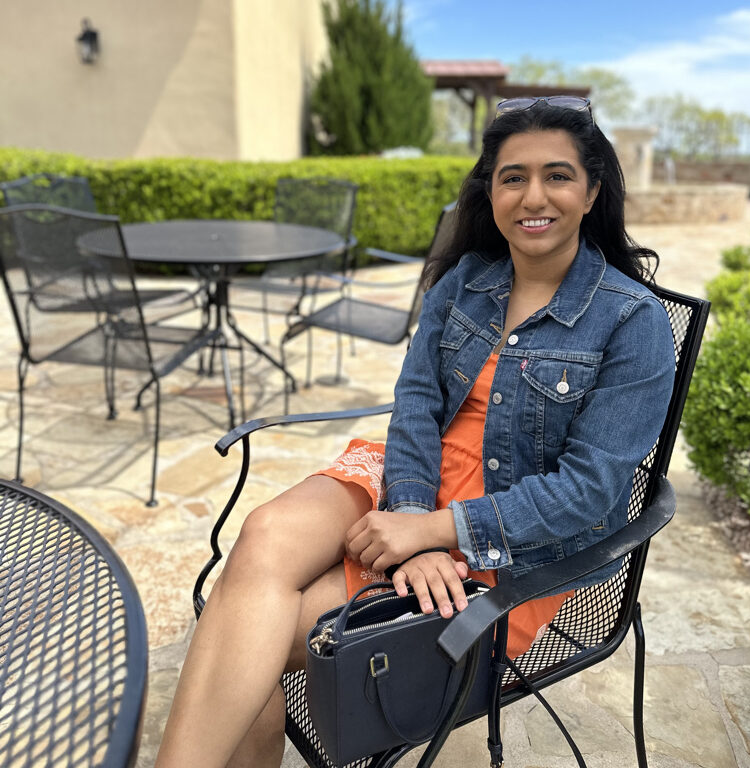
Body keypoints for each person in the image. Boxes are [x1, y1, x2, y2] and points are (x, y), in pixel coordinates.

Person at [155, 96, 676, 768]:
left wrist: (436, 533)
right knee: (259, 541)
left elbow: (589, 494)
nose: (532, 196)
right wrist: (408, 514)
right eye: (512, 177)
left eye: (557, 175)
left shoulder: (632, 322)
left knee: (252, 629)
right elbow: (416, 404)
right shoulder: (469, 281)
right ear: (489, 191)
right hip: (407, 478)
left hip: (508, 542)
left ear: (592, 189)